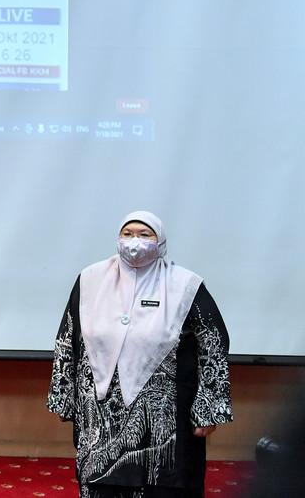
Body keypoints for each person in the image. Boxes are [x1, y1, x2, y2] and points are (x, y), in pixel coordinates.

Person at [46, 211, 232, 498]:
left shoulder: (185, 284)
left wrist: (208, 406)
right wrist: (64, 398)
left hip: (166, 424)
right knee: (102, 485)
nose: (135, 241)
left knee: (165, 486)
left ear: (161, 243)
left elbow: (214, 343)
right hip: (101, 416)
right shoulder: (90, 280)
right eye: (128, 233)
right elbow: (67, 339)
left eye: (145, 235)